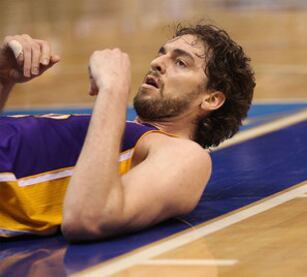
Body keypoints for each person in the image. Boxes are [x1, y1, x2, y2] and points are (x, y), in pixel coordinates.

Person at [0, 24, 255, 241]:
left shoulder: (186, 155)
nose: (157, 63)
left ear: (211, 99)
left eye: (180, 62)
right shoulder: (118, 133)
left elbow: (88, 217)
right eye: (162, 54)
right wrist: (3, 79)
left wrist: (113, 90)